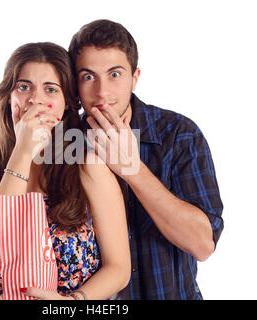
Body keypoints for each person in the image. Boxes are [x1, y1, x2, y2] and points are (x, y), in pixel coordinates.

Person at [68, 19, 224, 300]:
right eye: (88, 76)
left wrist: (132, 168)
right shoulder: (63, 145)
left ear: (135, 77)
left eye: (114, 74)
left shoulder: (179, 135)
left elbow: (203, 245)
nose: (102, 91)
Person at [0, 42, 130, 300]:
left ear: (64, 107)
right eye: (24, 86)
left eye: (50, 89)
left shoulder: (87, 167)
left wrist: (72, 302)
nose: (35, 99)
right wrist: (23, 153)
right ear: (10, 97)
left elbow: (119, 269)